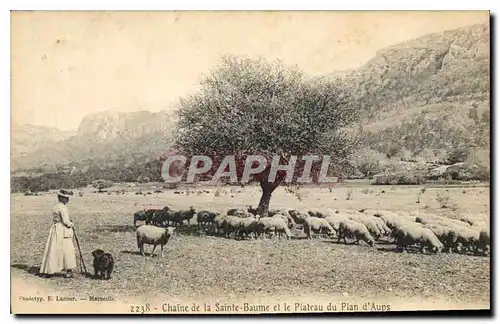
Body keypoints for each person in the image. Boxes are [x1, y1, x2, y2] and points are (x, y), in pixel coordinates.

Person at [39, 189, 77, 278]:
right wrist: (71, 224)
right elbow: (66, 221)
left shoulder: (56, 207)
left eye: (67, 198)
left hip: (56, 229)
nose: (67, 199)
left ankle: (50, 269)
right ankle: (69, 271)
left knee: (54, 249)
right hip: (63, 230)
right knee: (67, 250)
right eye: (65, 198)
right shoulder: (63, 208)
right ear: (60, 198)